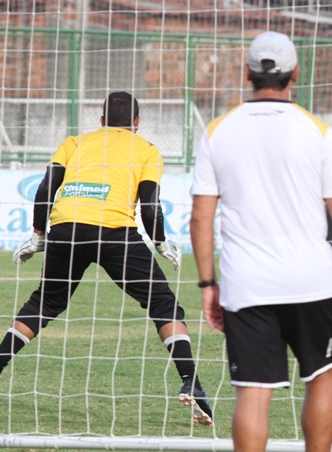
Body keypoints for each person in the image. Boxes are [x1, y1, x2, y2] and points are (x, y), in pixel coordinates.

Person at [190, 32, 332, 452]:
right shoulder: (317, 129)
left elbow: (200, 219)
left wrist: (208, 285)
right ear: (295, 75)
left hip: (247, 284)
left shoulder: (219, 129)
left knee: (252, 392)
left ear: (247, 74)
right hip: (311, 282)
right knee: (324, 379)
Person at [1, 91, 213, 426]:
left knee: (44, 303)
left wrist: (39, 235)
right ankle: (191, 382)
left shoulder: (74, 142)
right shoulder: (146, 149)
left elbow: (44, 191)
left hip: (66, 228)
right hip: (114, 233)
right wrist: (160, 242)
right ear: (137, 123)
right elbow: (149, 204)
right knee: (163, 303)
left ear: (100, 121)